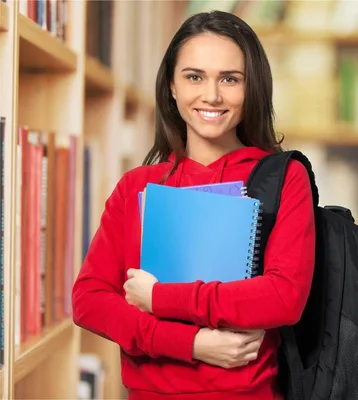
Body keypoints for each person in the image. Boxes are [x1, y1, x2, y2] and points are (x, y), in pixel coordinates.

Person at [72, 10, 316, 400]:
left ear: (252, 88)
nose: (212, 95)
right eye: (194, 77)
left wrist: (159, 298)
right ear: (171, 85)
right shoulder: (137, 185)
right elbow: (89, 300)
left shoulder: (284, 178)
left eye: (230, 79)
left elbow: (284, 297)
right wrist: (191, 343)